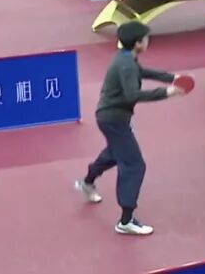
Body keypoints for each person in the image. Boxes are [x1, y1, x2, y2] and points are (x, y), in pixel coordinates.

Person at [74, 21, 187, 236]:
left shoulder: (126, 58)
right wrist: (167, 92)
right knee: (134, 165)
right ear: (138, 43)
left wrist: (171, 78)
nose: (148, 41)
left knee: (114, 153)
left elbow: (142, 71)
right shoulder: (126, 65)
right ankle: (126, 221)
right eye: (146, 38)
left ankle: (87, 182)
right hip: (114, 119)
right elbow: (132, 95)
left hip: (109, 117)